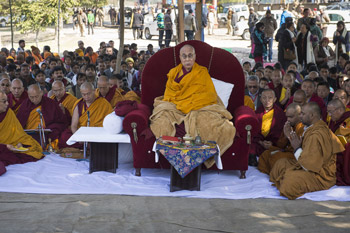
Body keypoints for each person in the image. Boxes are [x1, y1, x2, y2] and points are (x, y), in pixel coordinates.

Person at [149, 44, 236, 168]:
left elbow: (210, 96)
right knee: (161, 119)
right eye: (184, 56)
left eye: (190, 56)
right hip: (176, 106)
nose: (187, 59)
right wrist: (183, 104)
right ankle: (173, 158)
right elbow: (169, 95)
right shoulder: (173, 73)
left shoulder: (202, 72)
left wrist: (190, 104)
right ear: (180, 57)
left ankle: (196, 160)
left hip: (199, 107)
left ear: (195, 57)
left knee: (214, 124)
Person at [270, 102, 344, 200]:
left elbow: (308, 166)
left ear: (312, 115)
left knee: (289, 182)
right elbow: (306, 155)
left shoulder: (316, 135)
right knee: (280, 163)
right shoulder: (313, 127)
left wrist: (296, 147)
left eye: (303, 114)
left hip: (321, 175)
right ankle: (286, 177)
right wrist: (290, 137)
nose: (300, 116)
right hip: (309, 165)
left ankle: (286, 179)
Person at [0, 91, 44, 176]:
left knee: (32, 145)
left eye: (7, 101)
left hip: (9, 145)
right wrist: (5, 146)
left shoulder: (9, 113)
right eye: (4, 101)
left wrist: (19, 143)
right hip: (3, 147)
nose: (7, 103)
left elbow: (18, 133)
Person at [258, 103, 304, 174]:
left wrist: (289, 136)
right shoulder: (288, 125)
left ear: (299, 115)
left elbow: (299, 148)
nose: (288, 119)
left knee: (276, 157)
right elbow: (280, 145)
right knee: (265, 154)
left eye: (291, 117)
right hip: (286, 151)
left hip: (295, 155)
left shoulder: (302, 127)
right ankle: (274, 172)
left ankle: (278, 174)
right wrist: (285, 136)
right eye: (287, 117)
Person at [17, 84, 67, 148]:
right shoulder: (25, 105)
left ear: (41, 93)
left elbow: (61, 122)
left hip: (47, 134)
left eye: (36, 96)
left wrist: (48, 128)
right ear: (28, 95)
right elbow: (19, 124)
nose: (34, 99)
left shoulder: (51, 103)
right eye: (31, 97)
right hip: (29, 135)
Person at [250, 89, 286, 166]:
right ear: (260, 99)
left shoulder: (280, 114)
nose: (267, 100)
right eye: (264, 98)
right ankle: (252, 158)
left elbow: (281, 132)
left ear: (275, 99)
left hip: (273, 144)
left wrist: (272, 143)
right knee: (249, 143)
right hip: (259, 143)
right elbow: (253, 132)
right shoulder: (256, 113)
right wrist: (261, 142)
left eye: (270, 98)